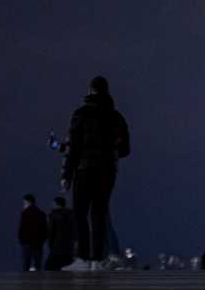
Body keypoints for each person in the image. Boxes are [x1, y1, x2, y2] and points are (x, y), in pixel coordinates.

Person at [60, 76, 131, 271]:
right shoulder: (116, 117)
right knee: (99, 213)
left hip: (84, 169)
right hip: (107, 171)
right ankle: (96, 259)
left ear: (90, 90)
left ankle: (82, 257)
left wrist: (66, 174)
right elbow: (125, 149)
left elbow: (72, 147)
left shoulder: (80, 114)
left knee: (80, 213)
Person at [45, 197, 76, 271]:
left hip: (57, 246)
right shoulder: (71, 214)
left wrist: (50, 244)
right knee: (66, 268)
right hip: (69, 247)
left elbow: (51, 231)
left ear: (56, 204)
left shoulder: (53, 214)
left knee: (50, 266)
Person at [18, 194, 48, 271]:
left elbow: (22, 228)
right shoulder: (41, 213)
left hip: (27, 242)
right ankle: (38, 280)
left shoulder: (25, 213)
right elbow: (45, 229)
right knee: (38, 263)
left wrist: (21, 240)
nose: (23, 205)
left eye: (24, 203)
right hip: (38, 242)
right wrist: (43, 239)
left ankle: (26, 281)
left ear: (28, 202)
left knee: (26, 264)